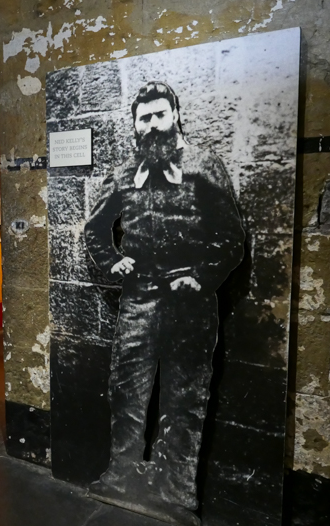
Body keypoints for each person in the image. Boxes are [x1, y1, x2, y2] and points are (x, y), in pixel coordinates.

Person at [84, 81, 245, 526]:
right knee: (126, 391)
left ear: (175, 115)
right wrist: (112, 262)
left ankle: (176, 492)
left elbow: (232, 237)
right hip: (139, 301)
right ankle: (120, 477)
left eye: (160, 114)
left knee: (186, 398)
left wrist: (204, 276)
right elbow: (95, 231)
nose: (153, 124)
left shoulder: (204, 165)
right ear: (135, 126)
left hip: (191, 304)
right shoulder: (123, 174)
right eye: (144, 118)